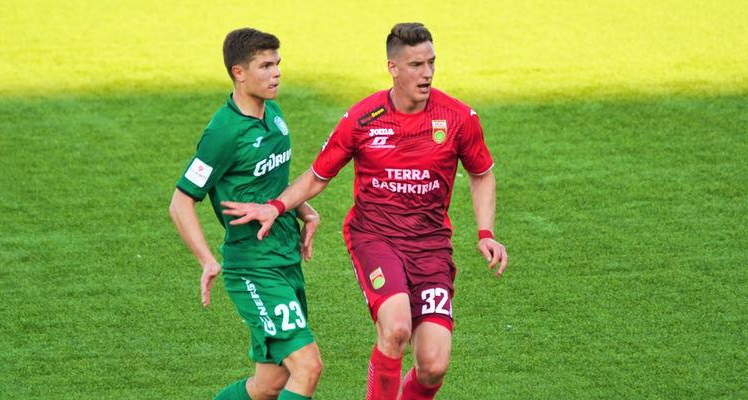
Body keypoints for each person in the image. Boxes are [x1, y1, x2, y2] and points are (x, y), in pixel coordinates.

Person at [222, 22, 508, 400]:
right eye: (416, 65)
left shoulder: (457, 117)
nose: (427, 73)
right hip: (376, 238)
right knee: (396, 328)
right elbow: (318, 176)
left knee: (433, 366)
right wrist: (276, 207)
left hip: (431, 247)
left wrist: (486, 233)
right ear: (393, 67)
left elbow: (481, 174)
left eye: (431, 63)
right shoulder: (363, 118)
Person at [168, 28, 323, 400]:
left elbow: (269, 180)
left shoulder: (274, 113)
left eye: (278, 63)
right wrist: (206, 260)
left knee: (269, 385)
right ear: (238, 72)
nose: (277, 73)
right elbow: (181, 201)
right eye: (265, 66)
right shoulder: (223, 132)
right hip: (254, 267)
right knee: (307, 367)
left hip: (285, 259)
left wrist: (302, 208)